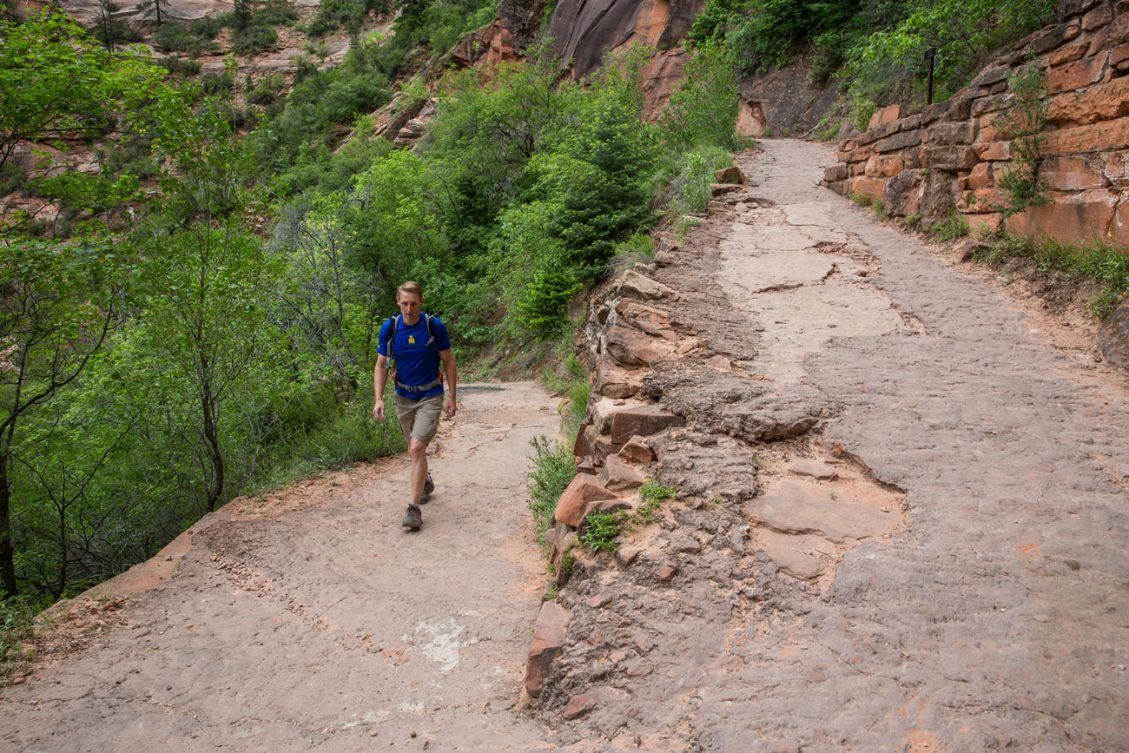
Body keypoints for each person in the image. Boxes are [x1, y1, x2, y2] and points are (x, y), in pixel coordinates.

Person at [372, 281, 457, 531]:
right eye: (405, 303)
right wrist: (378, 399)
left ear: (421, 302)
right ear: (398, 302)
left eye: (414, 304)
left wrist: (452, 396)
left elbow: (449, 362)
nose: (409, 309)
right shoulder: (390, 328)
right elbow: (381, 365)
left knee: (417, 447)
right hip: (403, 398)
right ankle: (425, 482)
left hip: (430, 395)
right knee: (413, 449)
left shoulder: (433, 327)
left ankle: (413, 508)